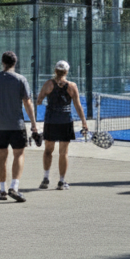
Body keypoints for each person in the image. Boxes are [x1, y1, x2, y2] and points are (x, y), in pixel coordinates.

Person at [0, 50, 38, 203]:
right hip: (16, 125)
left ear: (2, 62)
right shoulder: (20, 79)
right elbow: (27, 103)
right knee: (19, 155)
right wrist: (34, 125)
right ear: (15, 63)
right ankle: (14, 187)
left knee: (1, 157)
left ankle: (3, 190)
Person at [35, 60, 88, 189]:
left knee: (48, 151)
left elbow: (39, 101)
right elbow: (78, 106)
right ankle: (61, 181)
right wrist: (84, 123)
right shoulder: (72, 86)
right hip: (65, 121)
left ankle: (46, 178)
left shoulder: (48, 84)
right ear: (67, 71)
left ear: (55, 70)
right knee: (63, 153)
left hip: (51, 120)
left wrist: (48, 99)